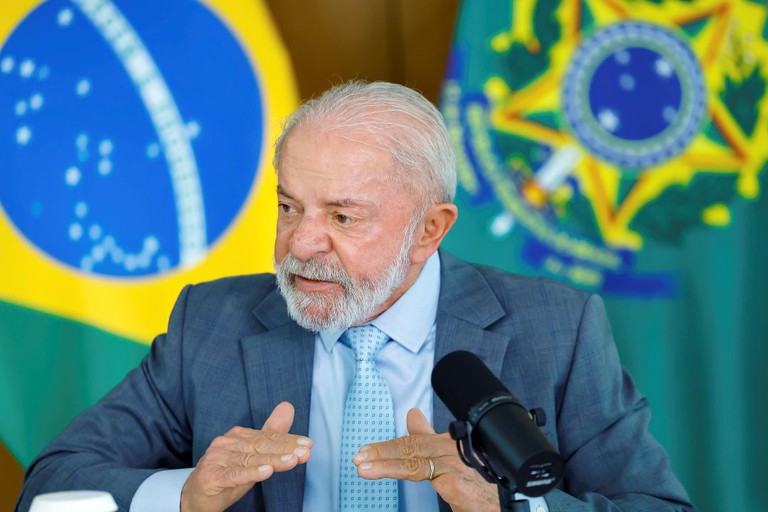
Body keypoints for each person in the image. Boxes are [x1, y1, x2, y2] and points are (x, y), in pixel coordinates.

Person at [16, 81, 695, 512]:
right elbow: (52, 482)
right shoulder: (210, 322)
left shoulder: (559, 328)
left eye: (342, 216)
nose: (301, 244)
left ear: (430, 230)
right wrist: (186, 495)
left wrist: (508, 507)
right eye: (289, 207)